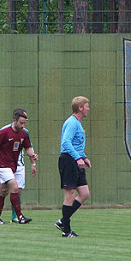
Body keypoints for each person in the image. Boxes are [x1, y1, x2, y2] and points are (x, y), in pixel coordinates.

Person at [0, 108, 38, 225]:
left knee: (3, 191)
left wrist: (33, 155)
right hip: (2, 165)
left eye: (24, 123)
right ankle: (19, 216)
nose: (23, 125)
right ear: (14, 121)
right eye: (21, 123)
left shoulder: (23, 133)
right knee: (14, 186)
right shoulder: (4, 132)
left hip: (13, 166)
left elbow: (27, 148)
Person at [55, 96, 91, 237]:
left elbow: (76, 144)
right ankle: (67, 231)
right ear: (80, 108)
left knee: (84, 194)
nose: (88, 108)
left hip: (76, 160)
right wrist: (77, 158)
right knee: (70, 195)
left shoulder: (78, 123)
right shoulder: (72, 123)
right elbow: (66, 143)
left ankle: (62, 221)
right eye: (86, 106)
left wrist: (83, 157)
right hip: (69, 161)